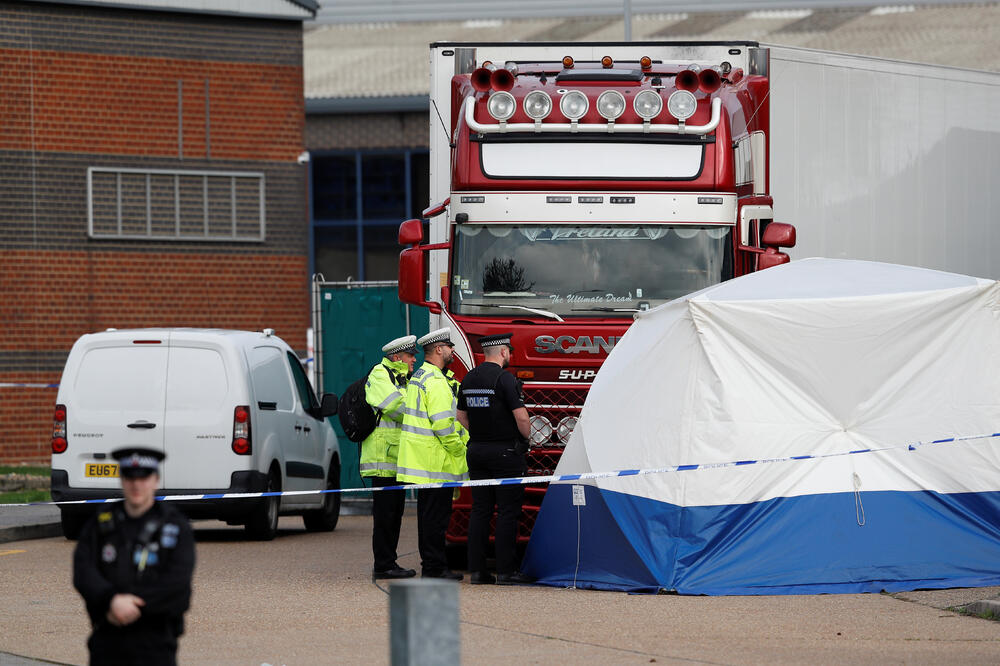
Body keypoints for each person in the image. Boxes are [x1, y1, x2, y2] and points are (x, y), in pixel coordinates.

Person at [73, 447, 195, 666]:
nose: (136, 484)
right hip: (107, 640)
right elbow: (83, 570)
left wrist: (132, 607)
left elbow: (177, 583)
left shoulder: (175, 526)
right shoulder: (101, 523)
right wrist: (111, 600)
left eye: (144, 477)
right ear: (121, 480)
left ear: (156, 480)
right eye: (129, 477)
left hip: (155, 643)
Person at [456, 333, 534, 585]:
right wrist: (526, 439)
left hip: (476, 450)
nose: (510, 355)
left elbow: (461, 416)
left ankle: (478, 571)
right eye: (509, 351)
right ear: (502, 352)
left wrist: (480, 434)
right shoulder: (505, 379)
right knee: (508, 512)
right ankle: (506, 571)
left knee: (480, 510)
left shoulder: (469, 377)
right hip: (505, 453)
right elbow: (521, 418)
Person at [396, 327, 470, 580]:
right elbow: (442, 425)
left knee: (428, 518)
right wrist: (461, 449)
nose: (452, 351)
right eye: (449, 347)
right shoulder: (436, 381)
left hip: (423, 461)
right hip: (435, 462)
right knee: (436, 520)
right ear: (439, 349)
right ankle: (435, 568)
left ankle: (432, 565)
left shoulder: (419, 376)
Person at [363, 334, 418, 580]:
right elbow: (398, 407)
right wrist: (420, 407)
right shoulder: (379, 374)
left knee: (395, 514)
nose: (414, 359)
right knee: (385, 516)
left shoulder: (402, 378)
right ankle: (383, 564)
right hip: (381, 460)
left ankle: (389, 562)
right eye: (410, 355)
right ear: (397, 357)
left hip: (397, 459)